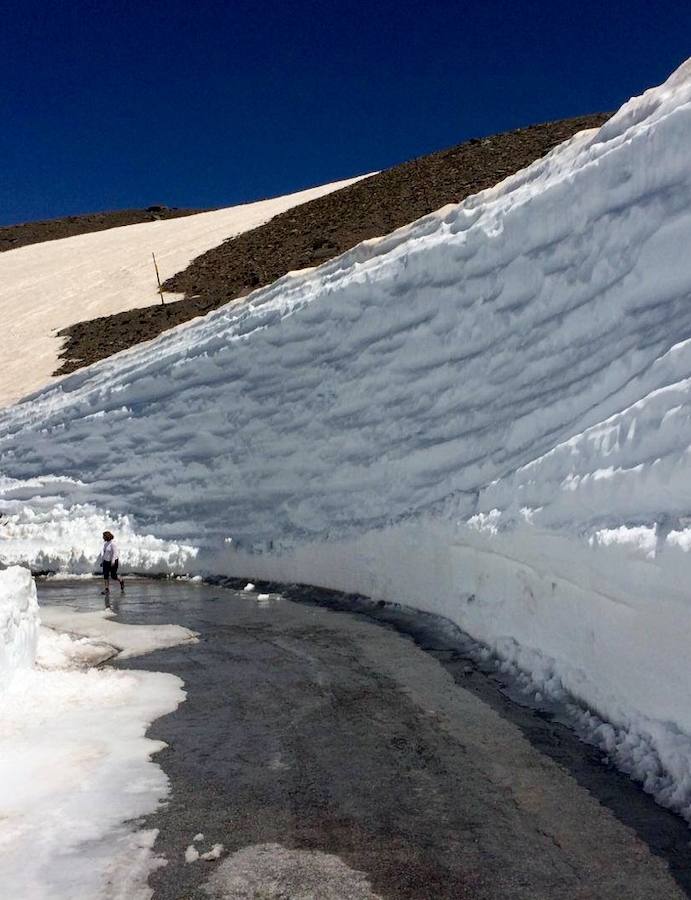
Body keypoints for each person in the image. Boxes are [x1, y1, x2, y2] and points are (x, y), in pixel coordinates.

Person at [101, 530, 125, 595]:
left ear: (107, 537)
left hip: (113, 562)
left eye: (103, 536)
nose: (103, 537)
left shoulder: (113, 544)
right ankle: (107, 589)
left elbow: (115, 553)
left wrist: (113, 561)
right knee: (105, 575)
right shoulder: (105, 544)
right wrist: (102, 561)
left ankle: (121, 581)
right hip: (106, 562)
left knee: (113, 576)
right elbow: (105, 553)